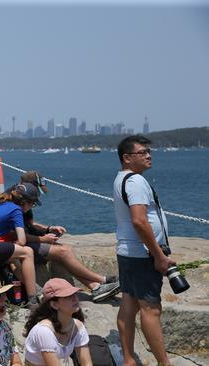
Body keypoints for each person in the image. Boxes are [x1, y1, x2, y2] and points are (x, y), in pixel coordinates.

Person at [5, 171, 121, 303]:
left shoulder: (23, 197)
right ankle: (102, 280)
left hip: (26, 240)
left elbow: (29, 223)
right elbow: (13, 234)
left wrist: (48, 228)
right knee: (63, 252)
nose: (38, 196)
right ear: (28, 186)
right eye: (37, 191)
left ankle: (95, 287)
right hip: (18, 245)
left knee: (66, 250)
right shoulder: (13, 201)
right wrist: (43, 239)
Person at [113, 135, 174, 366]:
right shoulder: (136, 182)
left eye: (149, 152)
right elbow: (139, 221)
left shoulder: (122, 178)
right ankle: (164, 363)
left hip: (128, 252)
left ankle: (128, 359)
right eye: (142, 152)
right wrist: (158, 254)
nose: (148, 155)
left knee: (129, 304)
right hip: (142, 255)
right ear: (127, 158)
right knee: (151, 309)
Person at [23, 278, 92, 366]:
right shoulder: (44, 331)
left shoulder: (78, 326)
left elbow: (87, 363)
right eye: (68, 297)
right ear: (54, 305)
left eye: (74, 294)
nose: (75, 299)